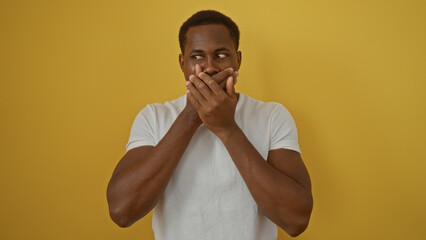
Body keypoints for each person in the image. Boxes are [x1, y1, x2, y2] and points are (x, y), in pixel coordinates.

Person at [107, 10, 313, 239]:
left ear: (239, 60)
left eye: (221, 55)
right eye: (197, 57)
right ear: (182, 63)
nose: (210, 67)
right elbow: (122, 212)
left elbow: (296, 220)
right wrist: (190, 117)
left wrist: (227, 129)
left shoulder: (272, 115)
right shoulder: (154, 117)